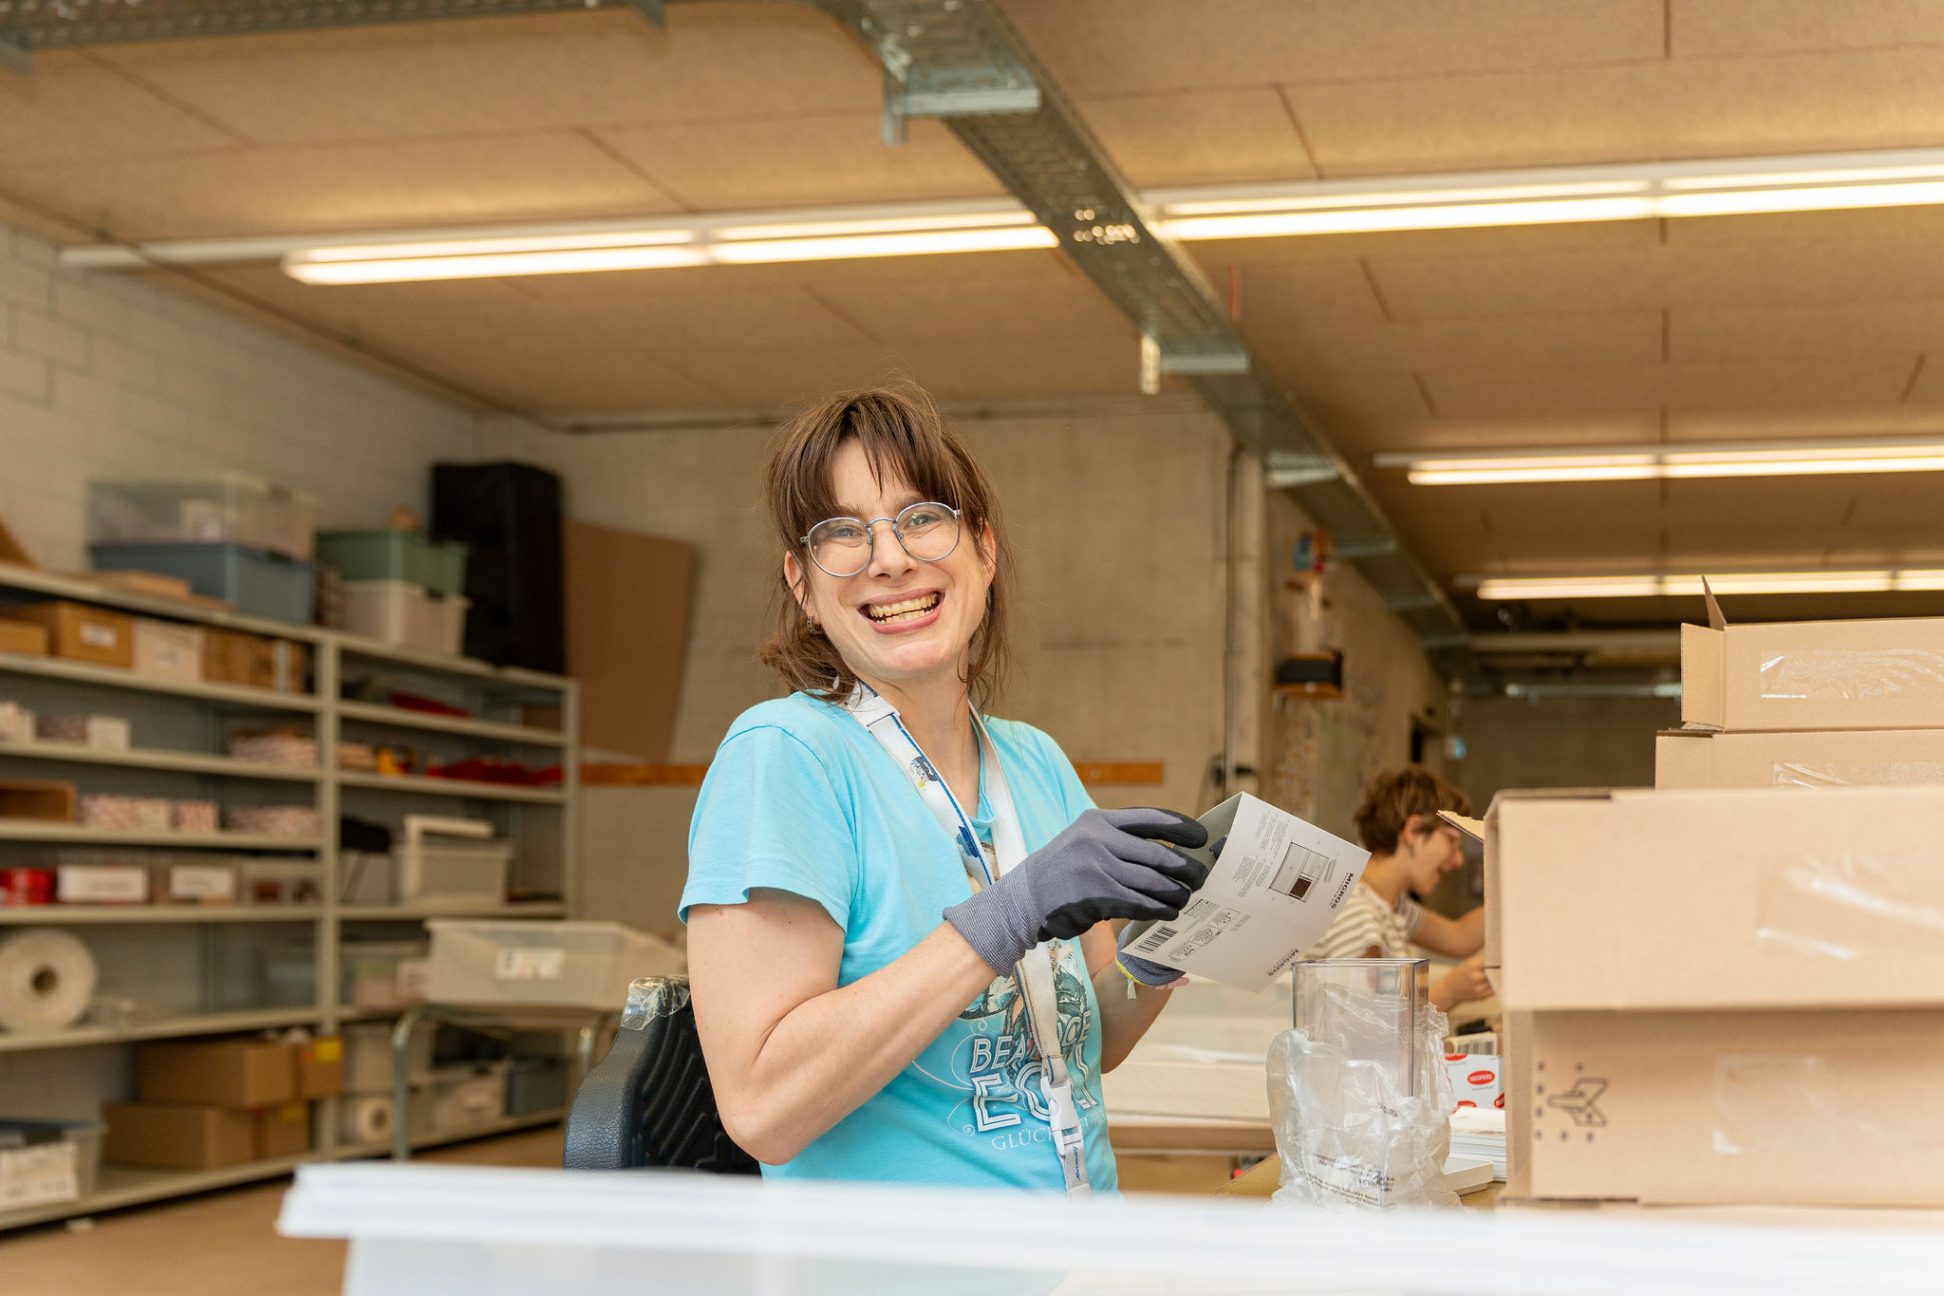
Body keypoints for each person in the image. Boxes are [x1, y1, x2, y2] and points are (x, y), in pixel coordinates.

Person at [680, 386, 1211, 1193]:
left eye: (922, 517)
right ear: (803, 587)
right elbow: (762, 1107)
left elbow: (1091, 1042)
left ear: (985, 552)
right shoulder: (786, 757)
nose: (889, 558)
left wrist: (1169, 946)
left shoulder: (1034, 762)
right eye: (842, 533)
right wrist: (1010, 911)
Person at [1305, 767, 1493, 1013]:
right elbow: (1362, 1025)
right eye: (1451, 841)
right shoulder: (1357, 909)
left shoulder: (1392, 906)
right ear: (1414, 830)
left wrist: (1525, 890)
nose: (1457, 861)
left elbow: (1459, 937)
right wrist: (1451, 990)